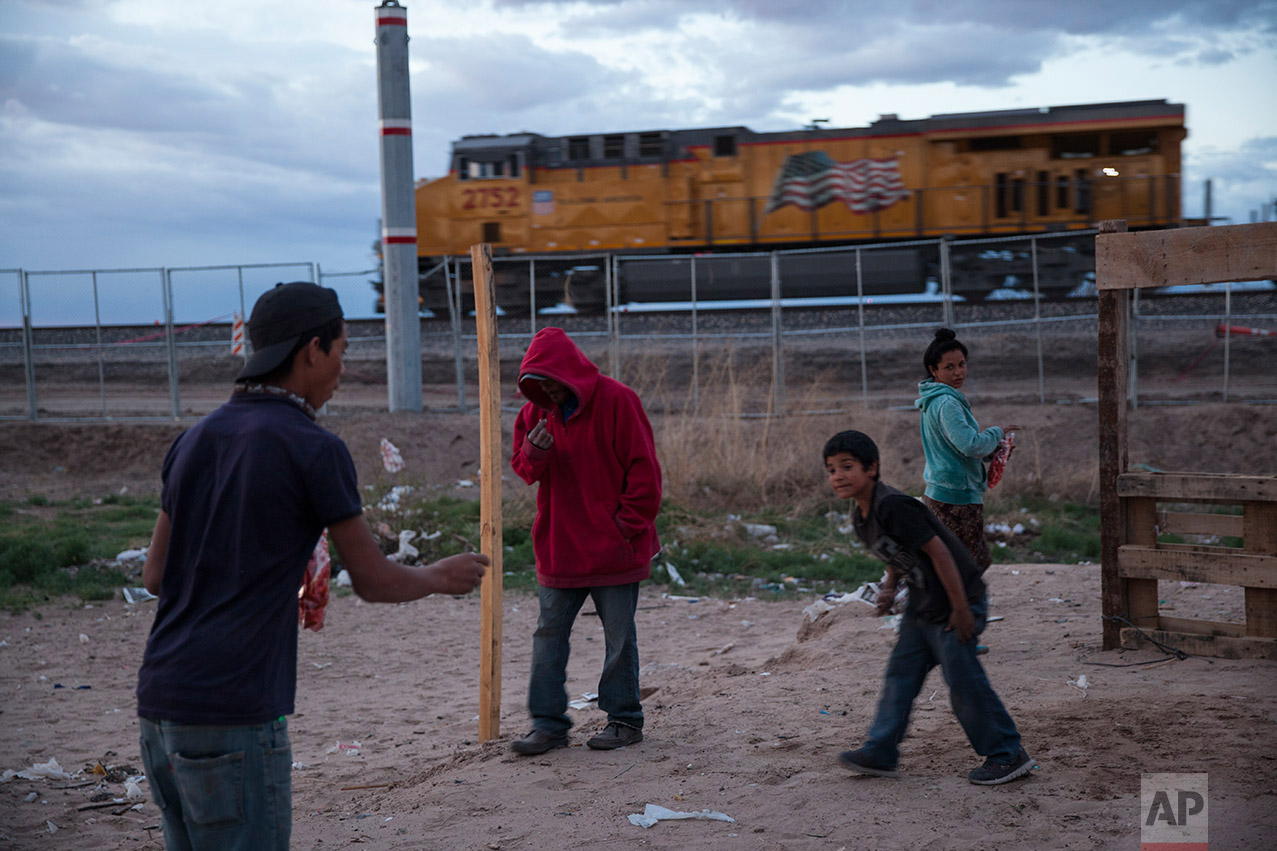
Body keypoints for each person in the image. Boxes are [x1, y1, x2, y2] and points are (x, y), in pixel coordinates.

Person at [136, 282, 488, 850]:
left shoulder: (192, 441)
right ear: (311, 351)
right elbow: (372, 580)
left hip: (159, 709)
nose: (343, 370)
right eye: (342, 353)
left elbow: (155, 575)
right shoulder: (313, 447)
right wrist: (440, 578)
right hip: (236, 713)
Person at [823, 430, 1034, 785]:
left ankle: (1008, 754)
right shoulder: (862, 518)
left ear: (872, 468)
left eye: (847, 466)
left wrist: (962, 608)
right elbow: (896, 554)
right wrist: (889, 589)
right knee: (899, 678)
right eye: (831, 470)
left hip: (956, 602)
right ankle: (880, 751)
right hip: (921, 608)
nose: (838, 476)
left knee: (964, 683)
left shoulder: (893, 505)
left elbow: (940, 552)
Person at [508, 327, 662, 756]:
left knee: (618, 638)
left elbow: (645, 473)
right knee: (548, 637)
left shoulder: (617, 400)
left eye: (553, 381)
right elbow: (524, 470)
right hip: (559, 547)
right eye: (539, 385)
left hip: (615, 548)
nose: (549, 391)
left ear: (570, 371)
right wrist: (536, 451)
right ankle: (548, 725)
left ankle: (624, 720)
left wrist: (623, 527)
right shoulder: (533, 416)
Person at [915, 328, 1019, 574]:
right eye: (949, 367)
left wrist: (992, 453)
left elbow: (957, 447)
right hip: (956, 497)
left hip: (942, 492)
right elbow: (970, 445)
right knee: (967, 565)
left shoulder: (936, 399)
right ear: (934, 370)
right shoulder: (948, 403)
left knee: (954, 561)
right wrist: (996, 433)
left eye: (961, 364)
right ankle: (954, 608)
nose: (958, 372)